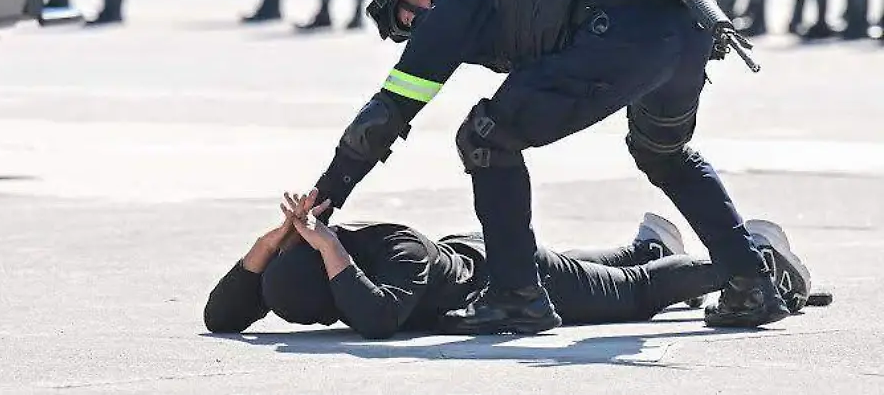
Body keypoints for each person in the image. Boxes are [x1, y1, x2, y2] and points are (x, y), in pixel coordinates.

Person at [301, 0, 791, 334]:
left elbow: (385, 115)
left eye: (405, 14)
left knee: (485, 138)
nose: (412, 28)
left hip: (619, 36)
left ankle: (517, 295)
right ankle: (751, 282)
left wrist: (326, 195)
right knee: (665, 153)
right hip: (685, 30)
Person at [205, 194, 816, 338]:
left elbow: (379, 318)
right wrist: (273, 242)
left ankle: (753, 256)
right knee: (604, 272)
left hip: (514, 275)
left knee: (631, 295)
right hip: (483, 261)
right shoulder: (334, 270)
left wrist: (330, 245)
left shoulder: (395, 253)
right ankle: (651, 244)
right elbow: (223, 315)